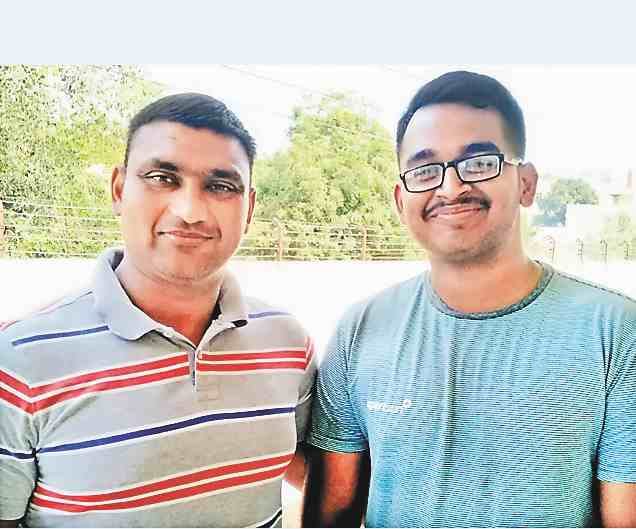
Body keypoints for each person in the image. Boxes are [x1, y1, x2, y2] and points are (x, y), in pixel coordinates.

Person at [303, 71, 636, 527]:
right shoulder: (360, 330)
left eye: (478, 163)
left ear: (526, 184)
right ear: (401, 200)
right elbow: (332, 511)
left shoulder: (616, 332)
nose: (450, 187)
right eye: (425, 170)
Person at [0, 93, 316, 527]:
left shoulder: (288, 342)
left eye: (221, 186)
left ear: (250, 209)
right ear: (118, 189)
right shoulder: (19, 360)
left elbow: (309, 465)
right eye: (162, 178)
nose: (189, 211)